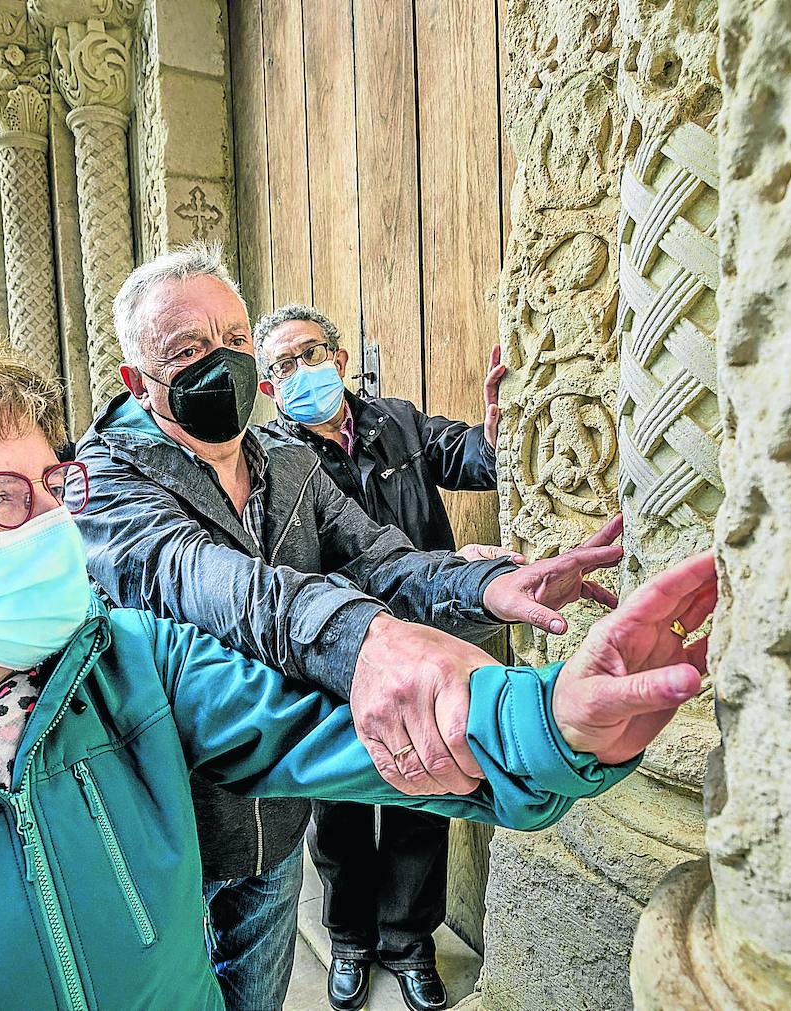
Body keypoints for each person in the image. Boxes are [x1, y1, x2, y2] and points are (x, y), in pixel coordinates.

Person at [0, 308, 716, 1010]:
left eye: (53, 486)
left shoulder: (128, 664)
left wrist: (554, 723)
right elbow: (221, 584)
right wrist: (372, 638)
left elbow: (335, 731)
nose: (53, 527)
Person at [74, 244, 620, 1011]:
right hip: (169, 827)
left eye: (232, 339)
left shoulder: (285, 464)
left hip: (274, 826)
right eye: (188, 350)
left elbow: (381, 557)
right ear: (138, 380)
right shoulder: (102, 480)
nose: (219, 364)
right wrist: (366, 637)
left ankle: (395, 942)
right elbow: (209, 580)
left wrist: (490, 583)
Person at [257, 303, 527, 1009]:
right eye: (280, 366)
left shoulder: (396, 421)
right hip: (334, 659)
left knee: (424, 795)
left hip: (426, 642)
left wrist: (502, 436)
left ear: (339, 359)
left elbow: (469, 455)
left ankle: (409, 943)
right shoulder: (270, 464)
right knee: (341, 808)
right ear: (266, 388)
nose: (298, 372)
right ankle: (349, 940)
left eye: (308, 353)